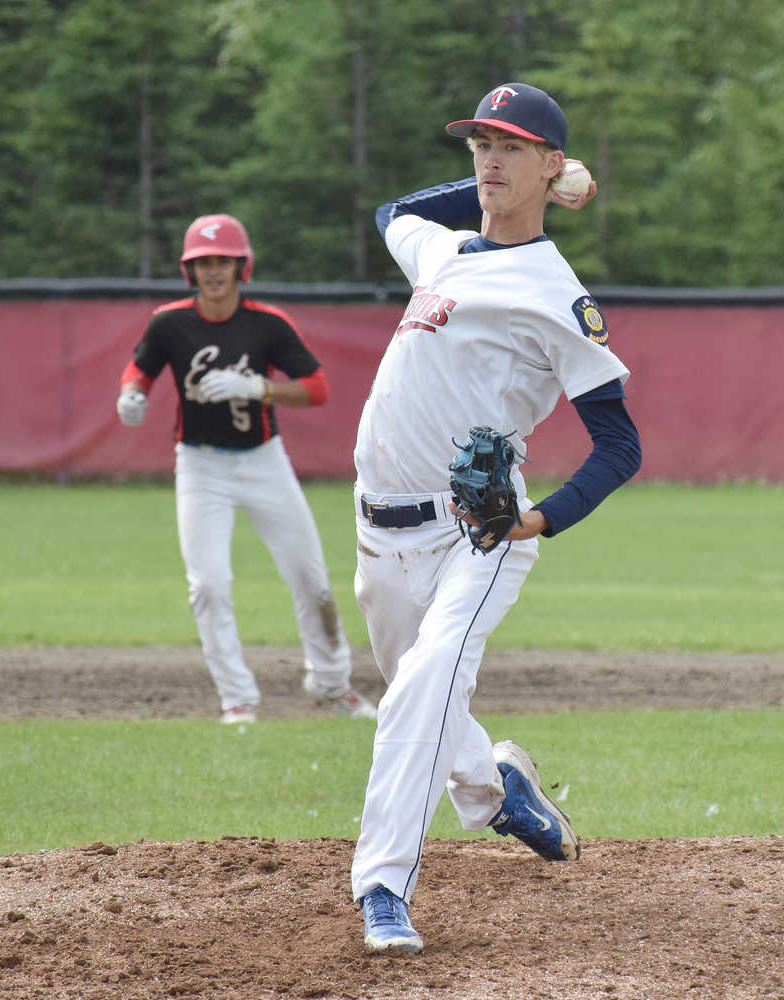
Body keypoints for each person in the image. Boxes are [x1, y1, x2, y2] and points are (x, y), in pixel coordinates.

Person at [352, 83, 642, 953]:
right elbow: (390, 209)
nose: (488, 158)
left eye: (512, 146)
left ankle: (382, 889)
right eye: (481, 142)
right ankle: (494, 787)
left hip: (477, 532)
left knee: (422, 687)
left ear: (552, 163)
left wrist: (541, 520)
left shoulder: (558, 294)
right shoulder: (442, 251)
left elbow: (619, 445)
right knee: (420, 696)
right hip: (378, 531)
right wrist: (531, 184)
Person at [115, 213, 376, 724]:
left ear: (242, 266)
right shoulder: (169, 322)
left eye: (223, 261)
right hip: (199, 467)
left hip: (263, 462)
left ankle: (331, 684)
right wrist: (130, 394)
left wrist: (258, 387)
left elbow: (318, 388)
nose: (213, 270)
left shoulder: (267, 324)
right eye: (203, 262)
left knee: (311, 578)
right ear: (189, 270)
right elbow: (139, 369)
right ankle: (237, 698)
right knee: (208, 585)